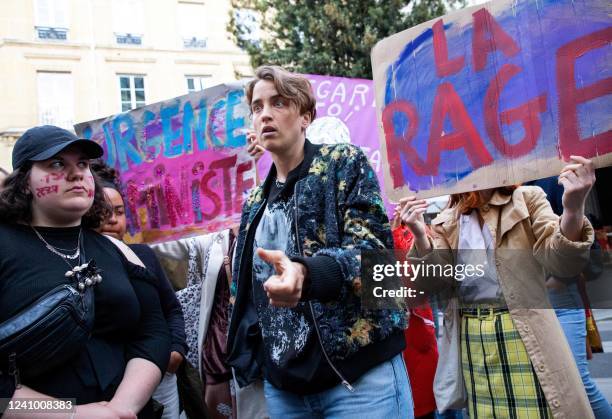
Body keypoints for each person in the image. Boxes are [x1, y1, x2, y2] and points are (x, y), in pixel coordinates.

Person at [226, 65, 411, 418]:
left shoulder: (344, 164)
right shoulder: (254, 204)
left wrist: (306, 274)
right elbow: (246, 296)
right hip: (285, 391)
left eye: (279, 103)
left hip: (357, 380)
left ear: (306, 116)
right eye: (257, 106)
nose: (265, 114)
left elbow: (375, 259)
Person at [399, 156, 596, 418]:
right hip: (471, 339)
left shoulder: (527, 198)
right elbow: (431, 283)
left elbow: (562, 263)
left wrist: (573, 209)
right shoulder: (446, 220)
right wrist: (420, 235)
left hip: (522, 332)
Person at [0, 125, 170, 418]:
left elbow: (153, 330)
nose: (76, 173)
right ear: (25, 182)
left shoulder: (117, 250)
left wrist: (122, 408)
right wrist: (71, 415)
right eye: (56, 164)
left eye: (82, 164)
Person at [92, 161, 188, 419]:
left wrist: (175, 350)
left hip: (163, 381)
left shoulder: (143, 255)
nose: (112, 219)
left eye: (120, 211)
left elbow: (171, 309)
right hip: (113, 389)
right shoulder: (81, 263)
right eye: (102, 211)